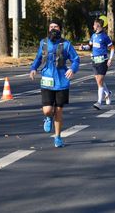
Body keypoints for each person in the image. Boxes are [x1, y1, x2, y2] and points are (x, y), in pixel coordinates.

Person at [29, 19, 80, 147]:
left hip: (62, 81)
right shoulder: (43, 43)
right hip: (47, 80)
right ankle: (47, 117)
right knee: (47, 110)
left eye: (55, 27)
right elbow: (38, 58)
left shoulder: (66, 44)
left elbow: (76, 59)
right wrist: (33, 68)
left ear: (60, 29)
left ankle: (57, 137)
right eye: (51, 26)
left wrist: (72, 69)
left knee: (58, 111)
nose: (53, 29)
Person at [79, 18, 114, 110]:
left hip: (103, 61)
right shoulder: (93, 36)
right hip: (94, 61)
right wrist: (83, 48)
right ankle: (108, 93)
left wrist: (110, 59)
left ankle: (99, 102)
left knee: (99, 81)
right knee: (99, 81)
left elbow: (112, 48)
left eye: (94, 25)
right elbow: (90, 46)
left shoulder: (105, 37)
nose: (93, 26)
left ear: (98, 26)